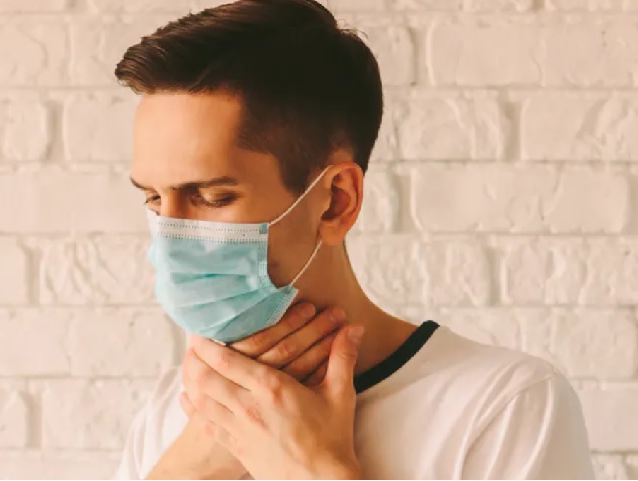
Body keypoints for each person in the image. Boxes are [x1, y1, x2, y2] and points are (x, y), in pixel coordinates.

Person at [112, 0, 594, 478]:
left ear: (336, 201)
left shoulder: (502, 408)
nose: (169, 236)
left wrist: (319, 471)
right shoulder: (172, 413)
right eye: (153, 199)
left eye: (212, 197)